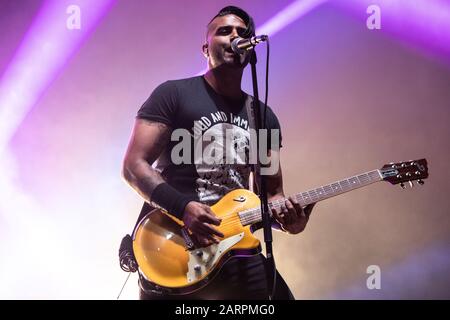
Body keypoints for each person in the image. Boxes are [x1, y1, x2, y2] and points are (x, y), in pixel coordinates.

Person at [121, 6, 315, 300]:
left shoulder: (264, 117)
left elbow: (271, 194)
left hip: (237, 248)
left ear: (250, 50)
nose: (235, 37)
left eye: (242, 33)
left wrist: (288, 221)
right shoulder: (173, 94)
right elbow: (134, 166)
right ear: (205, 48)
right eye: (225, 31)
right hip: (174, 244)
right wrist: (183, 208)